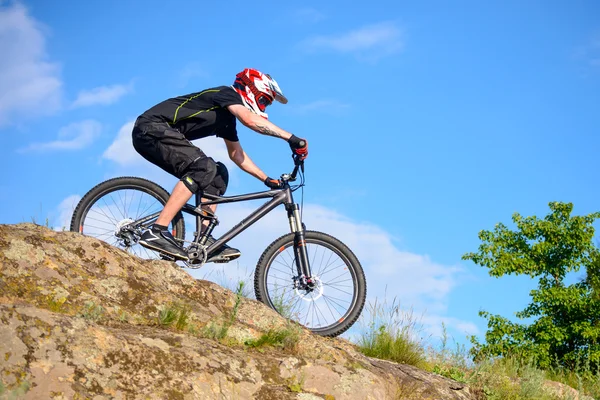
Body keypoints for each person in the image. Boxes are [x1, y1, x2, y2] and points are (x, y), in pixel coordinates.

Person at [131, 68, 308, 263]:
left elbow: (237, 154)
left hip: (157, 135)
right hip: (151, 128)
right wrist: (291, 138)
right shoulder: (226, 94)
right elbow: (250, 120)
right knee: (203, 167)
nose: (264, 106)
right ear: (251, 89)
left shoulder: (227, 120)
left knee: (218, 173)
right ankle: (158, 231)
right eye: (264, 100)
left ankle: (204, 240)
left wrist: (266, 179)